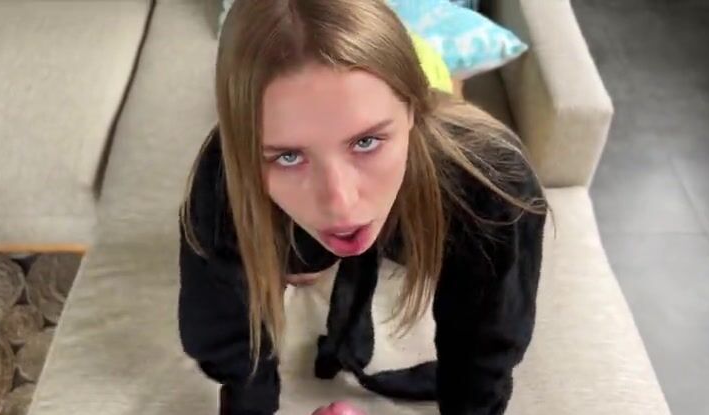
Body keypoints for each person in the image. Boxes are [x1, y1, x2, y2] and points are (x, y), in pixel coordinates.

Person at [177, 0, 548, 414]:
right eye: (288, 156)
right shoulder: (224, 180)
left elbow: (487, 342)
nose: (341, 205)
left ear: (412, 111)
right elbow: (224, 331)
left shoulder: (490, 182)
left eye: (367, 142)